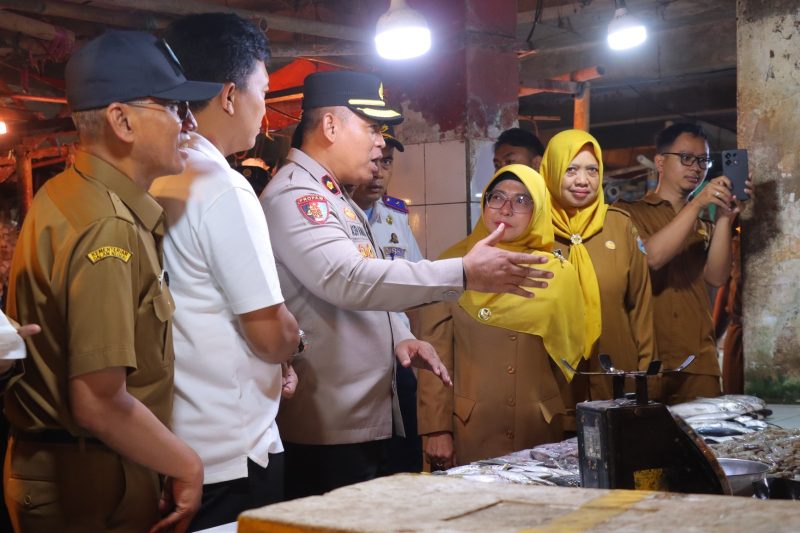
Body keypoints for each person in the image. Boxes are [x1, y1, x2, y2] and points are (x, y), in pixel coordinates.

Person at [261, 70, 555, 499]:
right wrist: (463, 272)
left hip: (361, 414)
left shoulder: (334, 196)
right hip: (328, 426)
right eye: (371, 128)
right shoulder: (297, 196)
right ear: (329, 127)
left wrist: (400, 334)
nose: (381, 142)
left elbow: (367, 274)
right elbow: (348, 279)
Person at [3, 30, 222, 532]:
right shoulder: (109, 226)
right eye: (173, 106)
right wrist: (186, 464)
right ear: (122, 120)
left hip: (72, 468)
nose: (188, 124)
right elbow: (99, 400)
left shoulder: (67, 194)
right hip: (91, 483)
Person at [149, 14, 299, 530]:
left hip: (169, 442)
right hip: (232, 453)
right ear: (230, 95)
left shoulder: (159, 172)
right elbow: (269, 334)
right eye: (264, 90)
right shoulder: (223, 187)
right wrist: (292, 345)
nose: (266, 108)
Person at [418, 164, 585, 468]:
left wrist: (572, 425)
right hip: (468, 430)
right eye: (497, 197)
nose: (506, 209)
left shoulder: (559, 274)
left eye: (522, 200)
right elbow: (434, 357)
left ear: (538, 211)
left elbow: (569, 362)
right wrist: (435, 428)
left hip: (541, 433)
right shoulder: (453, 267)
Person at [616, 123, 752, 405]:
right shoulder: (627, 213)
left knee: (702, 446)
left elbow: (716, 277)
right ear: (660, 161)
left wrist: (726, 217)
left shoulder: (703, 224)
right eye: (686, 158)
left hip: (697, 359)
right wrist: (697, 204)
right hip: (647, 358)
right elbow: (651, 258)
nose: (696, 167)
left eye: (704, 160)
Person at [539, 129, 655, 402]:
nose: (583, 180)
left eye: (592, 170)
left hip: (617, 378)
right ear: (552, 170)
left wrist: (648, 377)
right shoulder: (533, 230)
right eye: (571, 170)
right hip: (551, 383)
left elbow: (641, 308)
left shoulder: (619, 225)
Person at [350, 125, 423, 474]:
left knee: (404, 463)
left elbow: (419, 284)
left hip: (400, 356)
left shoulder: (395, 216)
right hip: (355, 361)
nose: (379, 172)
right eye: (373, 160)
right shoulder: (334, 215)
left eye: (388, 162)